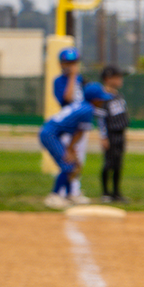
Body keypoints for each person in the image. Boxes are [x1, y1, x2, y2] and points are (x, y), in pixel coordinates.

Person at [39, 83, 112, 209]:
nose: (102, 101)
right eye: (100, 98)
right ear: (94, 99)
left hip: (52, 133)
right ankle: (54, 196)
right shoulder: (88, 109)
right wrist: (70, 149)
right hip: (50, 135)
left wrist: (71, 149)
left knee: (72, 164)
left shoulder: (82, 105)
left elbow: (75, 131)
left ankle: (69, 196)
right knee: (67, 164)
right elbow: (79, 133)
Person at [52, 47, 89, 203]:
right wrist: (73, 77)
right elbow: (66, 99)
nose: (71, 66)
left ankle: (74, 190)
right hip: (68, 126)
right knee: (68, 158)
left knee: (79, 159)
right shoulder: (59, 81)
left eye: (74, 62)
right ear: (61, 64)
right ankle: (60, 192)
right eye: (67, 62)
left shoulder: (82, 80)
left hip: (81, 126)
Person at [95, 66, 129, 203]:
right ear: (108, 79)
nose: (121, 80)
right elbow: (101, 118)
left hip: (120, 133)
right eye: (117, 77)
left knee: (118, 164)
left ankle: (116, 193)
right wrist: (103, 136)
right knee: (108, 163)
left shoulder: (118, 95)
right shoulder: (103, 97)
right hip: (110, 134)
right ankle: (106, 193)